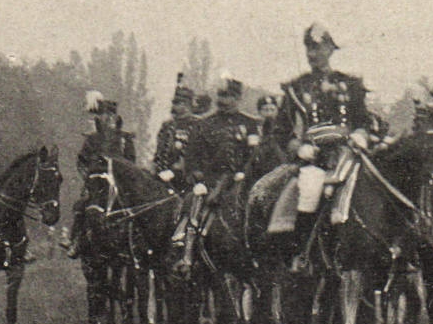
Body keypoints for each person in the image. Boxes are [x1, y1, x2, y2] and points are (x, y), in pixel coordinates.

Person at [269, 23, 371, 262]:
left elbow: (364, 122)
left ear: (330, 49)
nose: (312, 55)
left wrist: (360, 135)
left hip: (349, 156)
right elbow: (280, 131)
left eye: (317, 48)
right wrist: (298, 148)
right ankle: (303, 254)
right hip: (316, 159)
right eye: (308, 49)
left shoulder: (350, 84)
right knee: (311, 190)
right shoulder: (297, 87)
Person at [175, 73, 261, 275]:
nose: (224, 100)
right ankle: (187, 255)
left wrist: (244, 173)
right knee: (194, 206)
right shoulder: (204, 123)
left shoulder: (249, 123)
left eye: (229, 96)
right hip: (211, 181)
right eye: (221, 95)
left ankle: (258, 254)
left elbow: (254, 155)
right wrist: (198, 176)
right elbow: (192, 155)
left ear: (238, 98)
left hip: (241, 180)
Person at [65, 92, 136, 258]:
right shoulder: (92, 139)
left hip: (119, 185)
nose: (107, 119)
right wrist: (90, 178)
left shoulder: (124, 139)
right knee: (82, 205)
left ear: (115, 117)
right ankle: (75, 240)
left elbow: (132, 163)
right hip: (97, 184)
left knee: (134, 208)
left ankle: (134, 245)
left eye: (111, 115)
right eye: (104, 115)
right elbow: (81, 162)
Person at [152, 74, 195, 186]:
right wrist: (155, 168)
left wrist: (175, 171)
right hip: (161, 177)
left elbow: (193, 155)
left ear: (187, 105)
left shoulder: (196, 124)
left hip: (184, 180)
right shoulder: (167, 125)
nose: (173, 107)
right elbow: (159, 151)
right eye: (173, 103)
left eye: (177, 103)